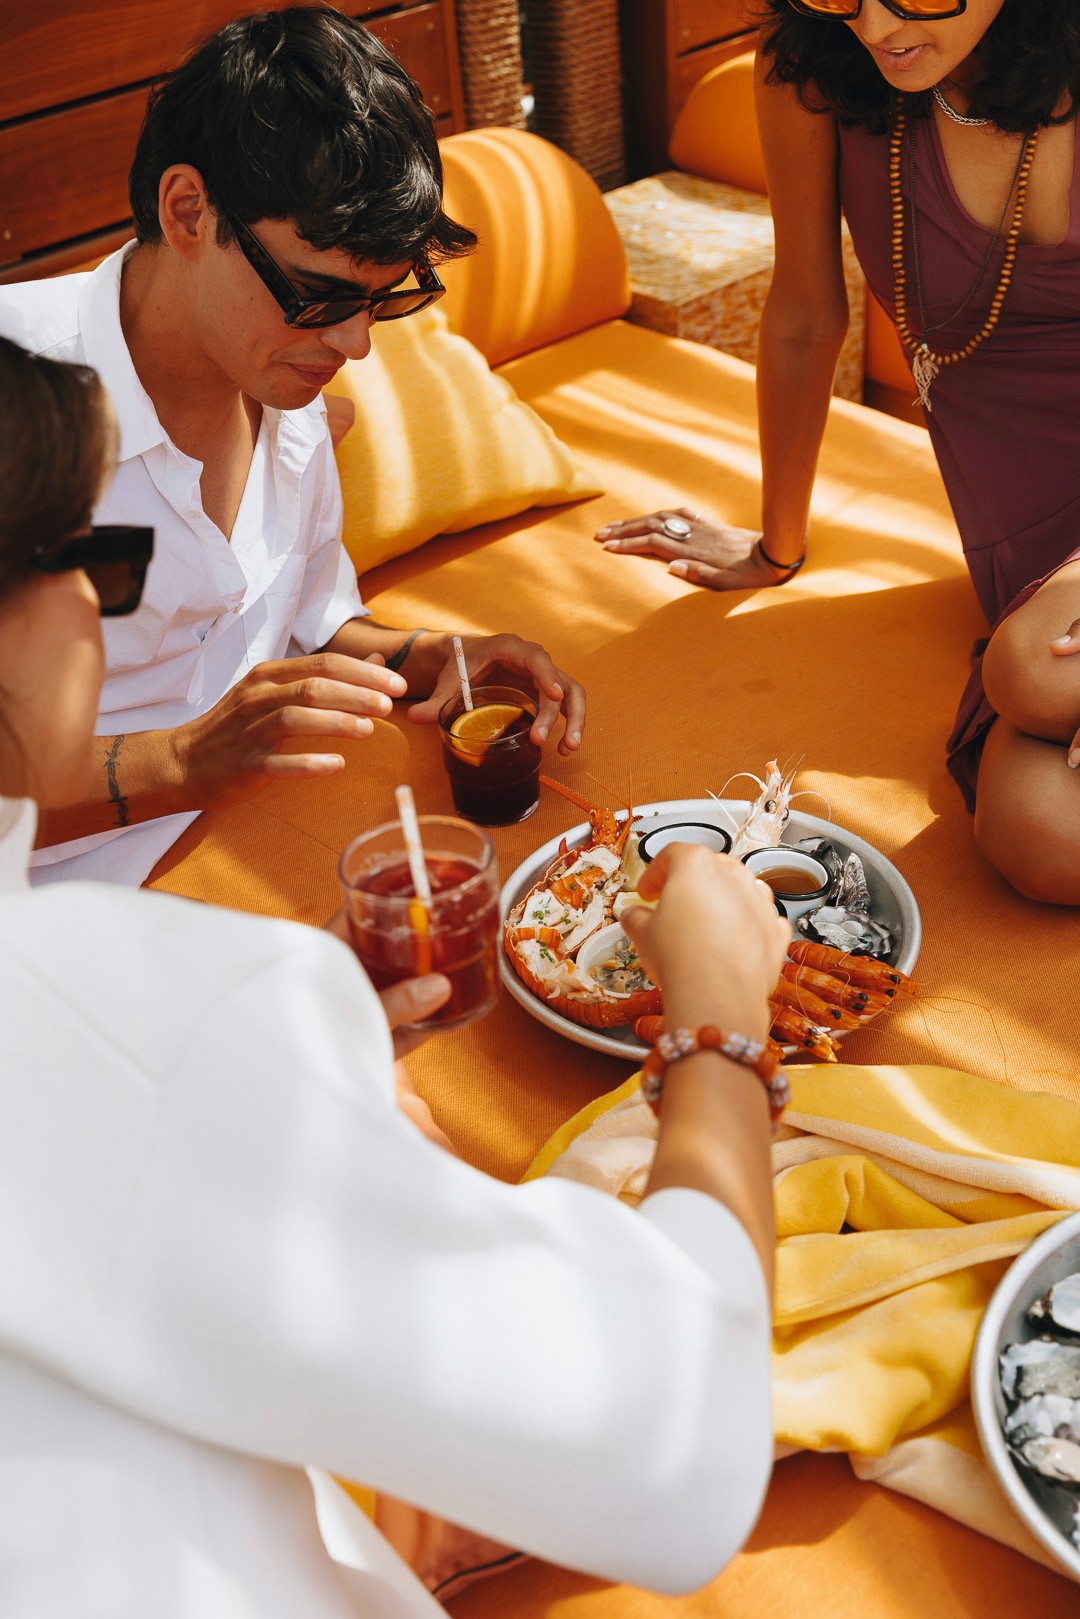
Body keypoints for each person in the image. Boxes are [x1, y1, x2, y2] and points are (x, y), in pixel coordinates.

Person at [0, 333, 788, 1613]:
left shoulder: (294, 404)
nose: (102, 599)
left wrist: (277, 1078)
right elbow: (678, 1445)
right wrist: (721, 1015)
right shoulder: (145, 1000)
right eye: (92, 563)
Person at [0, 6, 585, 890]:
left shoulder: (291, 391)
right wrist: (181, 759)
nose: (355, 346)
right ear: (189, 210)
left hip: (260, 843)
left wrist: (420, 654)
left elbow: (304, 621)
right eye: (318, 295)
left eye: (383, 299)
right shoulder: (19, 397)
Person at [595, 0, 1080, 904]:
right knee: (1033, 834)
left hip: (1061, 599)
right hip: (1030, 578)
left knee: (1027, 668)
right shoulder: (811, 76)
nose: (877, 19)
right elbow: (805, 315)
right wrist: (776, 546)